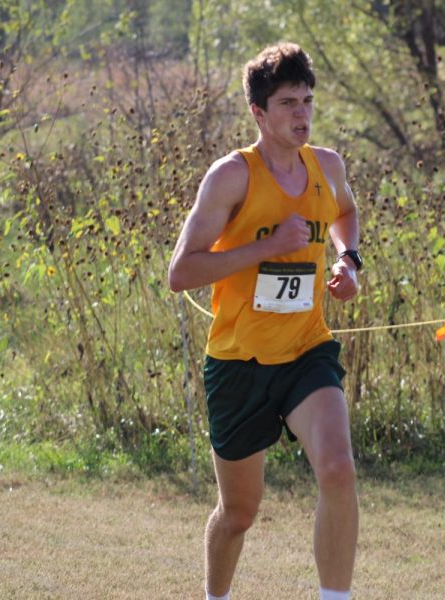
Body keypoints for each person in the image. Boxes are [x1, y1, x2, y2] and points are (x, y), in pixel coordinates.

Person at [168, 43, 361, 600]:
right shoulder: (232, 177)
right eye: (287, 104)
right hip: (239, 362)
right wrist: (268, 245)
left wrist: (349, 261)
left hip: (307, 350)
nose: (301, 114)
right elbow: (180, 273)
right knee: (238, 514)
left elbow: (345, 213)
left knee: (339, 470)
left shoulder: (327, 166)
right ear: (258, 113)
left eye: (307, 101)